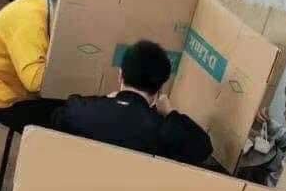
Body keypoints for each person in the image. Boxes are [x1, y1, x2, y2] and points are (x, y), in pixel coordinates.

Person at [51, 40, 213, 166]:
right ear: (159, 88)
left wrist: (103, 100)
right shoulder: (163, 130)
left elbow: (56, 118)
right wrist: (171, 114)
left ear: (120, 75)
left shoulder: (81, 110)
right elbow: (203, 149)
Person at [0, 0, 64, 130]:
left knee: (76, 108)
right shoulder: (31, 21)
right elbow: (35, 82)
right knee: (71, 119)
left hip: (10, 87)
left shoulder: (41, 3)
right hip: (1, 100)